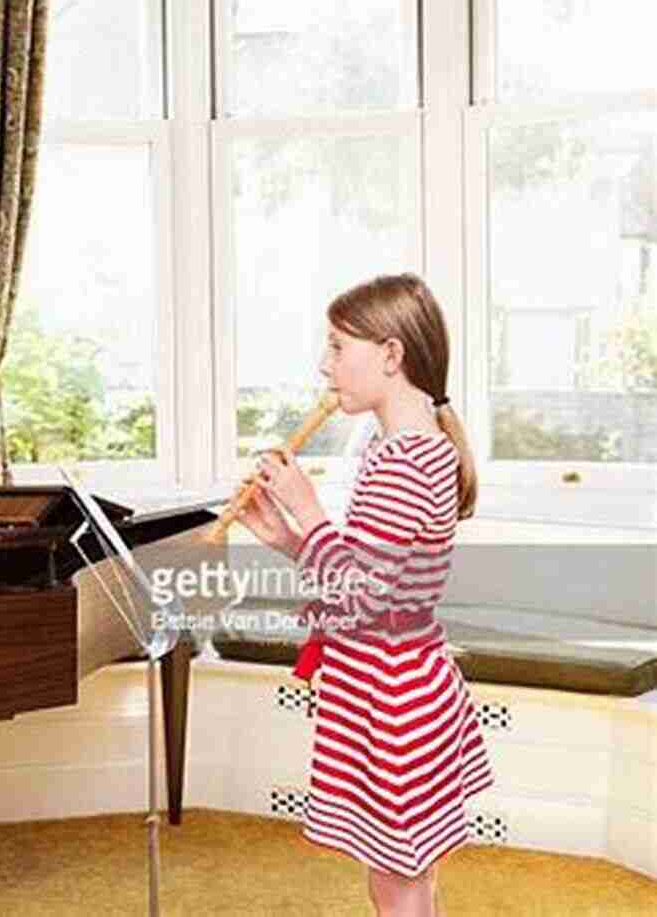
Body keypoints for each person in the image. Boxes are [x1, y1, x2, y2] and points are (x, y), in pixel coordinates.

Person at [236, 273, 493, 917]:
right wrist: (289, 539)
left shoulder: (406, 459)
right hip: (396, 686)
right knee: (404, 872)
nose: (325, 365)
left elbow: (365, 597)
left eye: (337, 347)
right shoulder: (402, 446)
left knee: (396, 881)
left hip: (393, 702)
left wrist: (310, 511)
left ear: (390, 354)